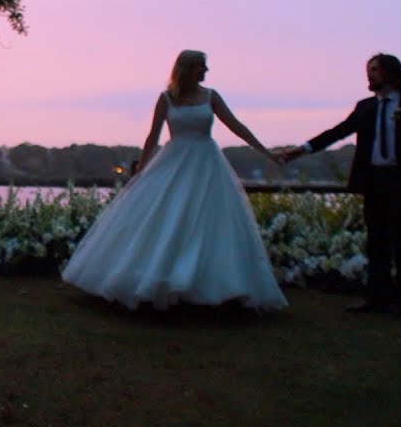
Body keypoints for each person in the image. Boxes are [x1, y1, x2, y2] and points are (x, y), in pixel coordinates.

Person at [61, 50, 288, 311]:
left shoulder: (211, 97)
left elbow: (236, 126)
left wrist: (267, 152)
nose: (206, 71)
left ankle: (211, 286)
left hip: (206, 164)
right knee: (166, 219)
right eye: (202, 67)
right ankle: (157, 281)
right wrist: (141, 170)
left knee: (208, 223)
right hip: (173, 162)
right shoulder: (167, 98)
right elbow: (153, 136)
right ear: (188, 69)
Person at [279, 53, 401, 315]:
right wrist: (300, 150)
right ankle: (376, 297)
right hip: (374, 182)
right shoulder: (364, 107)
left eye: (374, 69)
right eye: (368, 70)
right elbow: (336, 133)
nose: (369, 75)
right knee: (376, 241)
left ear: (391, 73)